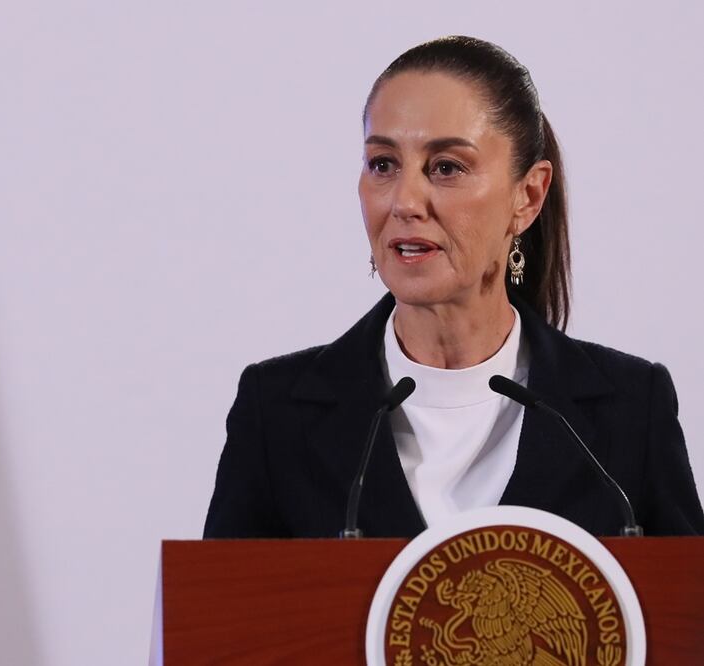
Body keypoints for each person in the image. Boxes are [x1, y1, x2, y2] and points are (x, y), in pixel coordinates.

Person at [203, 36, 704, 539]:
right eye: (383, 164)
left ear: (528, 196)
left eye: (446, 167)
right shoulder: (276, 413)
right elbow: (221, 615)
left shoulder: (631, 410)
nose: (405, 202)